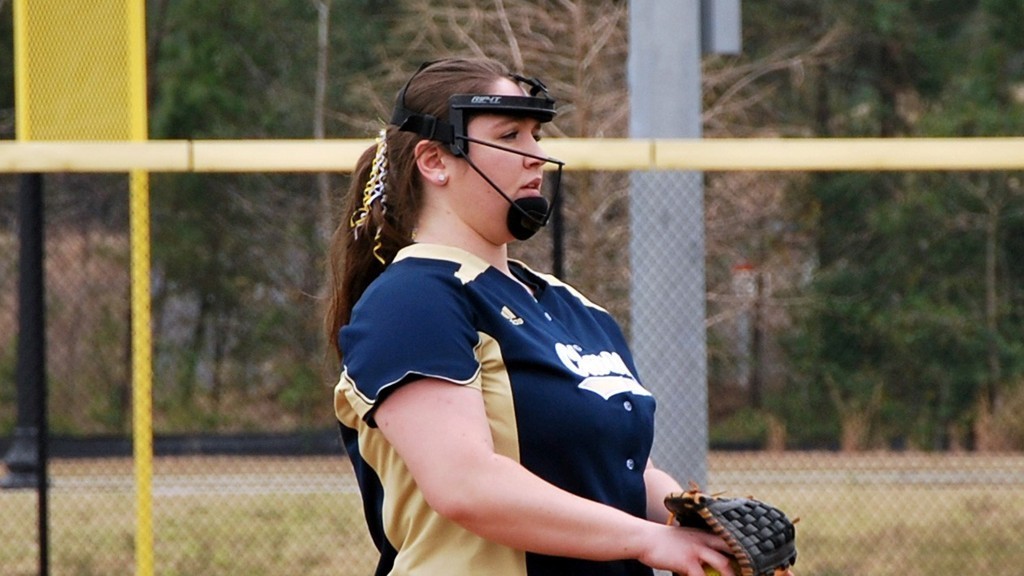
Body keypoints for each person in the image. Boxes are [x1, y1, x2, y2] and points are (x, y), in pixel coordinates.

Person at [325, 57, 737, 576]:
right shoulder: (412, 300)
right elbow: (466, 486)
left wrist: (698, 522)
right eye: (510, 135)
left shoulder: (574, 307)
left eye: (536, 135)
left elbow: (629, 473)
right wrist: (647, 540)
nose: (537, 155)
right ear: (434, 160)